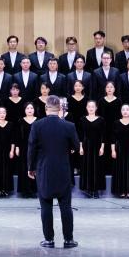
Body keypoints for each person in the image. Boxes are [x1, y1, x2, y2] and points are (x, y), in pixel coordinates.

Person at [27, 95, 80, 248]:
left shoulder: (37, 126)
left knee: (46, 206)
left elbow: (31, 149)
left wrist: (31, 168)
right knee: (66, 206)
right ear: (60, 108)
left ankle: (49, 240)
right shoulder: (69, 126)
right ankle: (68, 240)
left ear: (46, 108)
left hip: (44, 171)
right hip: (63, 170)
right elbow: (76, 147)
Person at [111, 103, 129, 198]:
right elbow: (113, 138)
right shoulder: (116, 123)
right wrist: (113, 150)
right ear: (120, 111)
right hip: (119, 149)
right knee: (120, 170)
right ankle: (122, 191)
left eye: (127, 109)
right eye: (123, 109)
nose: (125, 111)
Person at [78, 100, 106, 198]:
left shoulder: (101, 120)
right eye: (89, 106)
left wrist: (102, 147)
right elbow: (80, 135)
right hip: (86, 146)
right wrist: (80, 147)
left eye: (92, 106)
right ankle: (88, 189)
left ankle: (96, 190)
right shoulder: (82, 119)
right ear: (86, 108)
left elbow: (103, 135)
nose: (91, 108)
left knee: (97, 167)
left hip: (97, 146)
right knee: (87, 166)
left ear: (96, 108)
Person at [17, 103, 39, 197]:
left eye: (31, 108)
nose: (30, 110)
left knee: (35, 167)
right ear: (24, 110)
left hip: (36, 148)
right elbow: (17, 136)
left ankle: (34, 190)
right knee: (24, 167)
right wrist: (17, 147)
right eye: (27, 108)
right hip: (24, 148)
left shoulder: (38, 121)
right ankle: (25, 191)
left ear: (34, 110)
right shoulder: (20, 121)